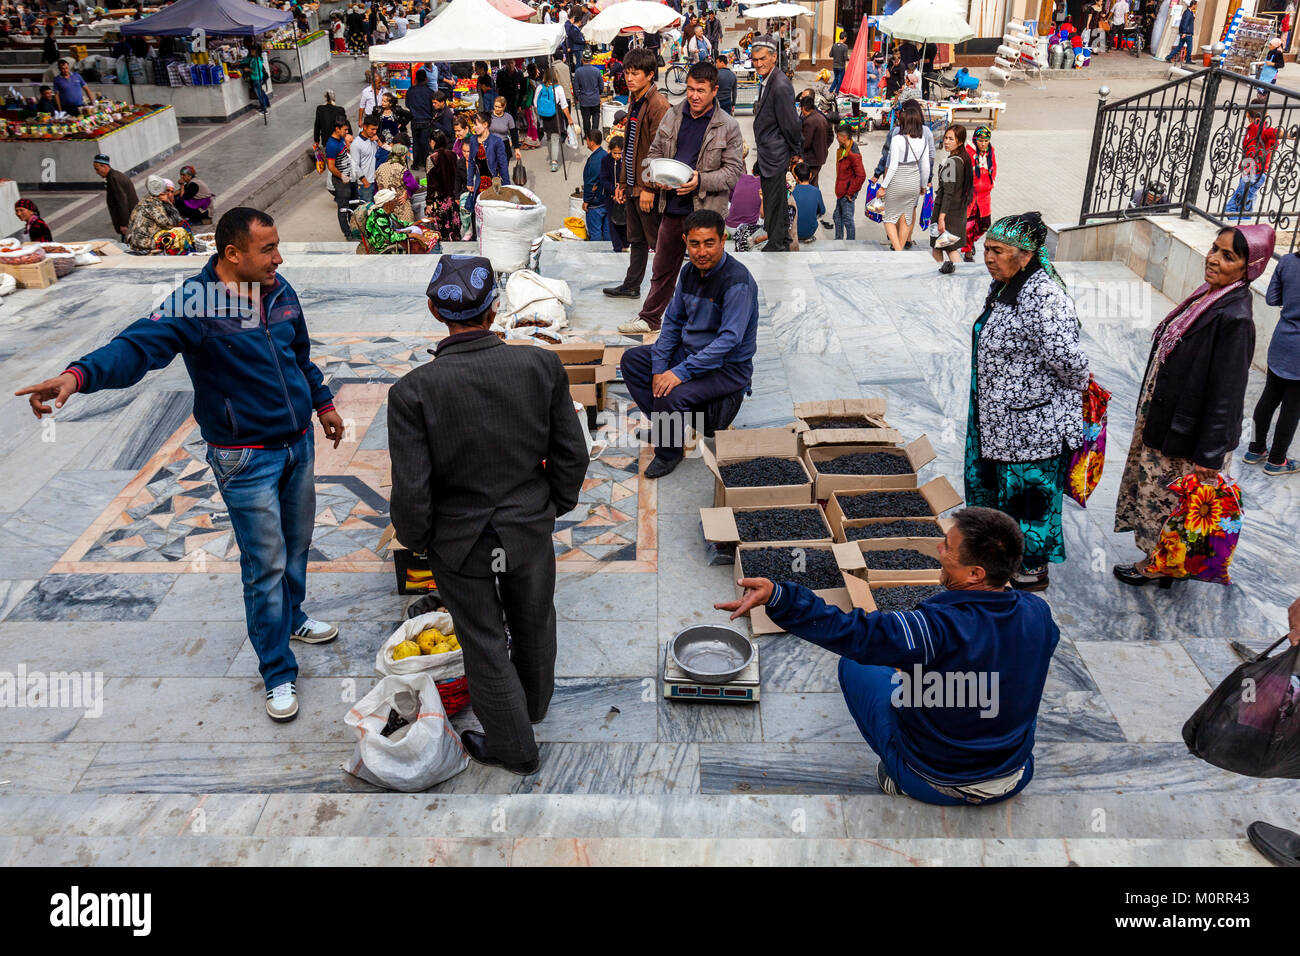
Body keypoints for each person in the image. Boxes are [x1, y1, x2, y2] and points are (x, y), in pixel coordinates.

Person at [16, 208, 345, 723]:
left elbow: (300, 357)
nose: (278, 258)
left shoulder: (279, 290)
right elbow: (135, 349)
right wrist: (76, 377)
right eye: (267, 249)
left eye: (277, 246)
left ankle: (294, 616)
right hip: (245, 457)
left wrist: (322, 404)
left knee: (298, 544)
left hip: (297, 445)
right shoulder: (196, 303)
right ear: (232, 254)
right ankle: (277, 672)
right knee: (265, 564)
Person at [387, 255, 587, 775]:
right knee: (535, 619)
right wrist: (552, 506)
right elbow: (573, 453)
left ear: (435, 311)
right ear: (495, 308)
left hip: (461, 543)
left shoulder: (413, 391)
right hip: (526, 529)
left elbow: (412, 491)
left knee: (483, 642)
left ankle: (515, 748)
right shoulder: (540, 366)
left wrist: (420, 540)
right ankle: (534, 707)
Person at [717, 506, 1058, 806]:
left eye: (948, 548)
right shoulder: (1039, 615)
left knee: (857, 665)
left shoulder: (932, 628)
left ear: (975, 574)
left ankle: (902, 777)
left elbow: (854, 633)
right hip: (1014, 773)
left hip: (935, 781)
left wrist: (780, 596)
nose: (939, 549)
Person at [1113, 224, 1275, 586]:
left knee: (1171, 503)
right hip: (1170, 420)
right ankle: (1167, 561)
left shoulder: (1235, 318)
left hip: (1190, 438)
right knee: (1160, 495)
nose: (1213, 259)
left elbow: (1228, 394)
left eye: (1228, 256)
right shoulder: (1209, 297)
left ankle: (1159, 565)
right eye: (1215, 249)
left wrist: (1210, 457)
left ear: (1248, 268)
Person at [965, 212, 1090, 591]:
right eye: (986, 249)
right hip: (1002, 420)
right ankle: (1003, 558)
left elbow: (1070, 363)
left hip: (1032, 427)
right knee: (1004, 495)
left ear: (1026, 254)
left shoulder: (1043, 296)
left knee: (1028, 499)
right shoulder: (1008, 286)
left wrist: (1032, 394)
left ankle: (1031, 568)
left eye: (997, 251)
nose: (988, 257)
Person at [619, 209, 758, 478]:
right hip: (690, 353)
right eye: (694, 244)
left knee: (671, 391)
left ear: (723, 240)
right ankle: (667, 427)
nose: (701, 252)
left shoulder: (736, 282)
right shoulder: (688, 273)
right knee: (633, 362)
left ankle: (668, 453)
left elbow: (729, 341)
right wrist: (660, 367)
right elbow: (672, 321)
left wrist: (678, 373)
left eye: (709, 243)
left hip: (727, 367)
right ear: (685, 241)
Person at [616, 60, 744, 335]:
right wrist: (653, 175)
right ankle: (650, 318)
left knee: (708, 267)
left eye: (700, 90)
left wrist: (701, 181)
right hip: (673, 204)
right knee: (663, 264)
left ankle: (716, 323)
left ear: (714, 91)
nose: (694, 96)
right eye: (689, 89)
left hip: (706, 209)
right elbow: (653, 154)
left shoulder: (727, 126)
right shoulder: (673, 116)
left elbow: (734, 172)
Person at [602, 48, 671, 302]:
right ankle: (632, 285)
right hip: (632, 184)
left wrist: (649, 188)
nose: (629, 78)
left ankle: (665, 291)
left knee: (659, 242)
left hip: (646, 188)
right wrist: (622, 182)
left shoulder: (658, 106)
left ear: (650, 75)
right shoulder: (635, 100)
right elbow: (629, 145)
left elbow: (660, 152)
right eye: (627, 73)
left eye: (635, 74)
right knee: (637, 239)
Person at [1246, 247, 1300, 475]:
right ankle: (1277, 460)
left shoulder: (1287, 261)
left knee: (1269, 397)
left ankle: (1255, 449)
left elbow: (1272, 298)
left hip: (1281, 343)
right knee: (1292, 408)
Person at [750, 34, 802, 252]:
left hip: (776, 155)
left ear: (773, 58)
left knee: (774, 202)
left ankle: (778, 243)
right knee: (773, 201)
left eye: (762, 59)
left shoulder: (779, 84)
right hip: (769, 154)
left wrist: (795, 151)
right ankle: (778, 239)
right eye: (755, 60)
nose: (758, 64)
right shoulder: (769, 80)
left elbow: (790, 123)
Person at [876, 102, 929, 252]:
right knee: (907, 217)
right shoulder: (923, 140)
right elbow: (925, 166)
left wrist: (883, 186)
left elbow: (892, 166)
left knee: (888, 218)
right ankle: (901, 248)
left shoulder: (898, 139)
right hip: (914, 180)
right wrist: (923, 185)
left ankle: (898, 251)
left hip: (898, 179)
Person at [931, 124, 973, 274]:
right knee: (949, 248)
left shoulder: (952, 162)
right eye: (946, 138)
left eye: (951, 139)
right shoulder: (964, 158)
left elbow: (947, 192)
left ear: (960, 142)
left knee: (941, 248)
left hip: (946, 212)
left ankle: (955, 277)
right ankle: (960, 275)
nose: (947, 142)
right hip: (957, 211)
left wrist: (941, 218)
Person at [1226, 105, 1277, 217]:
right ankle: (1244, 225)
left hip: (1254, 173)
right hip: (1253, 172)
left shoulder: (1258, 128)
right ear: (1266, 115)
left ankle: (1238, 228)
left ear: (1247, 114)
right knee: (1247, 202)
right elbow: (1273, 143)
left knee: (1234, 206)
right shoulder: (1255, 129)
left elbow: (1274, 133)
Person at [357, 187, 437, 254]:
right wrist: (414, 235)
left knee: (425, 234)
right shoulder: (379, 215)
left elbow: (403, 224)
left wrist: (421, 221)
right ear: (388, 203)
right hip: (383, 246)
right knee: (419, 241)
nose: (396, 203)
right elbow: (391, 237)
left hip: (391, 239)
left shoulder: (388, 214)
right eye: (394, 201)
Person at [125, 175, 184, 253]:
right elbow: (171, 224)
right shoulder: (155, 204)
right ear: (162, 192)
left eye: (172, 191)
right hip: (143, 244)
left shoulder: (145, 200)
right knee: (180, 234)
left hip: (134, 241)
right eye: (167, 191)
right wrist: (170, 204)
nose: (169, 194)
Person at [963, 125, 996, 262]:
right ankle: (968, 252)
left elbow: (993, 168)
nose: (983, 144)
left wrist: (990, 183)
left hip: (984, 198)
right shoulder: (969, 153)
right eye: (980, 141)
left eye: (986, 141)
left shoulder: (991, 152)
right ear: (975, 140)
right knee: (968, 226)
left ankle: (969, 243)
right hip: (971, 197)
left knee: (984, 225)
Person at [534, 62, 575, 173]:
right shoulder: (558, 88)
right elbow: (564, 105)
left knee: (548, 138)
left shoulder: (540, 87)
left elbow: (535, 103)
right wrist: (569, 119)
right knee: (555, 138)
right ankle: (554, 162)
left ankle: (551, 157)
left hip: (544, 117)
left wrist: (541, 114)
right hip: (555, 116)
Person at [424, 128, 463, 243]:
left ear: (433, 142)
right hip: (454, 198)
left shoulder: (431, 158)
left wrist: (429, 202)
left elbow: (430, 183)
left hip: (440, 201)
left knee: (442, 231)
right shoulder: (454, 155)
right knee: (454, 226)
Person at [92, 154, 138, 241]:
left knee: (128, 245)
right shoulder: (116, 176)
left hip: (129, 221)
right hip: (132, 218)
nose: (97, 172)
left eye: (97, 169)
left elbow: (122, 202)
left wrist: (124, 224)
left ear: (104, 166)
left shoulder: (113, 179)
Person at [324, 117, 356, 238]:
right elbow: (331, 167)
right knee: (343, 207)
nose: (347, 132)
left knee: (353, 204)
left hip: (349, 178)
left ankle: (354, 228)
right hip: (341, 181)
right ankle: (347, 233)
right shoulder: (332, 145)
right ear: (337, 129)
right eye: (345, 130)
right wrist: (343, 176)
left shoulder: (340, 140)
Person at [832, 123, 865, 240]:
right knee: (837, 217)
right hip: (841, 190)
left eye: (838, 136)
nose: (836, 138)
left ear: (844, 137)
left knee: (847, 219)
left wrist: (850, 192)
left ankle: (851, 244)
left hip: (847, 193)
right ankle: (839, 240)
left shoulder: (853, 154)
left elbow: (861, 176)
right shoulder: (842, 150)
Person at [375, 142, 416, 222]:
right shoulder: (402, 170)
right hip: (401, 209)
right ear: (403, 156)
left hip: (384, 209)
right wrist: (406, 193)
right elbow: (414, 185)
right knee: (405, 232)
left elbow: (376, 188)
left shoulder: (380, 167)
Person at [799, 92, 832, 187]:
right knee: (814, 183)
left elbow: (806, 143)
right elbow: (831, 136)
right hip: (820, 157)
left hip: (811, 159)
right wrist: (823, 147)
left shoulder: (809, 121)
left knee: (805, 183)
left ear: (804, 108)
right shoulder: (822, 117)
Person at [582, 128, 610, 242]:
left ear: (591, 142)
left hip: (596, 203)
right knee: (608, 232)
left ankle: (597, 256)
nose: (586, 143)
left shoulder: (595, 160)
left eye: (587, 140)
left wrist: (586, 200)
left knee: (596, 233)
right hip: (607, 201)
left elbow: (591, 183)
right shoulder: (605, 155)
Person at [602, 134, 628, 252]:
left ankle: (626, 244)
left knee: (626, 221)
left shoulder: (627, 162)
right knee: (613, 222)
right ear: (610, 151)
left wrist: (623, 192)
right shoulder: (605, 161)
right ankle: (617, 247)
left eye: (619, 153)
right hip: (611, 197)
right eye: (614, 153)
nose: (617, 156)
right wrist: (613, 191)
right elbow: (603, 179)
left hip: (625, 197)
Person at [406, 70, 435, 171]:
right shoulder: (430, 92)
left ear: (416, 79)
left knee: (416, 142)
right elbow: (433, 107)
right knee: (425, 143)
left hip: (415, 120)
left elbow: (407, 104)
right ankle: (426, 164)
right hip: (426, 121)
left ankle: (415, 164)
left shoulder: (410, 90)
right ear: (426, 79)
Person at [350, 113, 381, 202]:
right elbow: (355, 165)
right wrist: (365, 182)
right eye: (372, 129)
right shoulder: (356, 144)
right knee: (367, 211)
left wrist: (378, 141)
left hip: (376, 182)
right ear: (364, 127)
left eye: (376, 129)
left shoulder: (374, 140)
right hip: (366, 184)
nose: (374, 132)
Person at [791, 162, 823, 243]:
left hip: (793, 231)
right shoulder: (816, 191)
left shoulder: (791, 192)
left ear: (796, 177)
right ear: (810, 175)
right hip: (810, 232)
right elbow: (822, 211)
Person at [573, 49, 603, 138]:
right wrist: (598, 94)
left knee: (586, 119)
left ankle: (587, 135)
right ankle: (594, 134)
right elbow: (601, 86)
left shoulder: (578, 71)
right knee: (596, 117)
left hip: (584, 100)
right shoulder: (597, 71)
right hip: (595, 99)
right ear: (591, 59)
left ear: (582, 59)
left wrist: (577, 97)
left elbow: (576, 87)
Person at [313, 90, 348, 157]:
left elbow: (317, 126)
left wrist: (316, 141)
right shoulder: (340, 110)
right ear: (334, 98)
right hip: (339, 140)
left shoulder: (320, 109)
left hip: (326, 141)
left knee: (330, 161)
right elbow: (345, 125)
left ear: (325, 98)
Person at [244, 41, 270, 113]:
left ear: (255, 51)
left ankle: (264, 109)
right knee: (260, 93)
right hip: (255, 79)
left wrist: (248, 69)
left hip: (257, 79)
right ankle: (263, 105)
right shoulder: (253, 58)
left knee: (259, 94)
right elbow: (247, 60)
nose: (250, 51)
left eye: (252, 50)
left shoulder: (257, 60)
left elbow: (256, 71)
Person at [829, 30, 850, 94]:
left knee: (836, 79)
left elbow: (830, 55)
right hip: (841, 66)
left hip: (835, 66)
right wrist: (849, 59)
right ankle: (836, 92)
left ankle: (830, 90)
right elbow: (845, 57)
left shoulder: (834, 45)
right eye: (846, 38)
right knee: (840, 80)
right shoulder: (845, 46)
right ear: (844, 38)